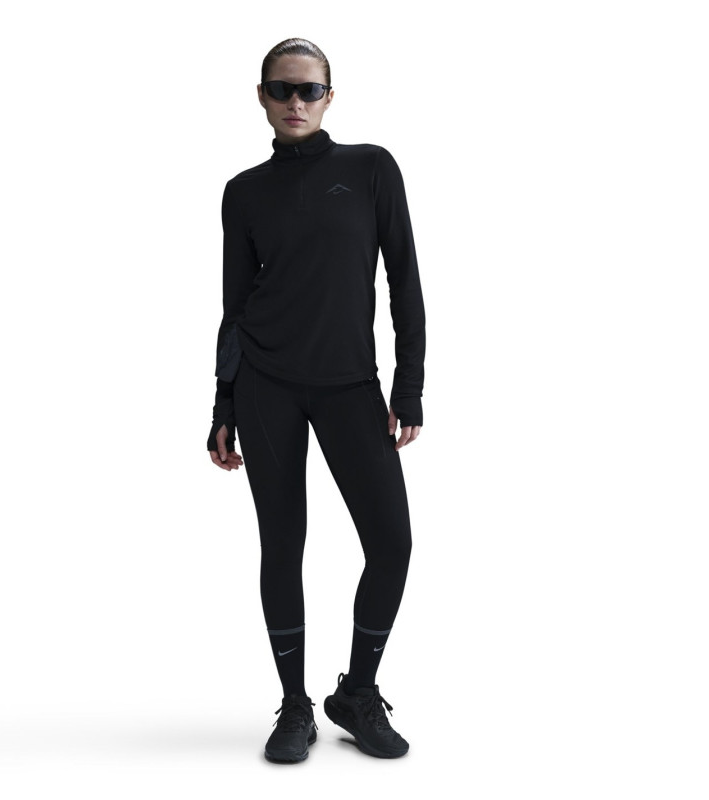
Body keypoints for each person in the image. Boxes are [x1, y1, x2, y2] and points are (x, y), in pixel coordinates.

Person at [206, 37, 426, 763]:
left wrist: (409, 384)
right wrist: (223, 404)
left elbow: (404, 280)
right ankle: (295, 704)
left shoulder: (370, 169)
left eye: (309, 90)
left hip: (350, 386)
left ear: (330, 97)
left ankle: (356, 693)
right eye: (281, 89)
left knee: (391, 542)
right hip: (266, 386)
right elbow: (235, 306)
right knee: (283, 544)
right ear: (262, 97)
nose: (295, 102)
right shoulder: (243, 192)